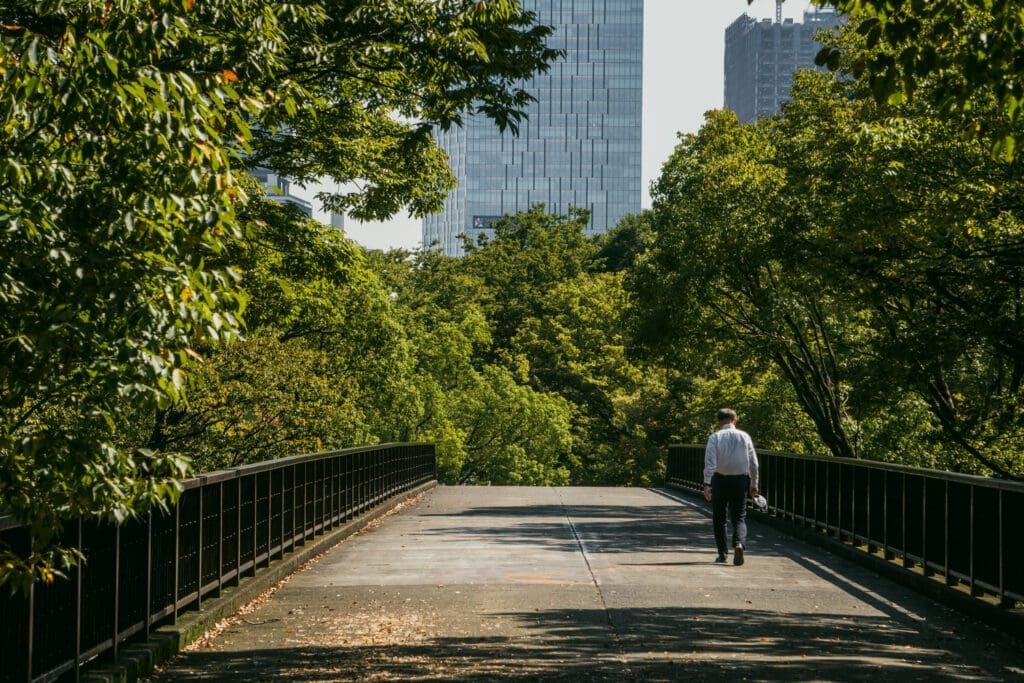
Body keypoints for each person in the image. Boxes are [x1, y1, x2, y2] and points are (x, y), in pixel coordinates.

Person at [703, 408, 759, 565]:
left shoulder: (715, 437)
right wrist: (754, 483)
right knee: (739, 517)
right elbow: (753, 462)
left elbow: (710, 463)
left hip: (719, 480)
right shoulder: (744, 436)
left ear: (719, 421)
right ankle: (739, 543)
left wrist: (707, 484)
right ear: (735, 420)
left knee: (719, 518)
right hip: (740, 481)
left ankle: (722, 554)